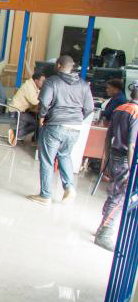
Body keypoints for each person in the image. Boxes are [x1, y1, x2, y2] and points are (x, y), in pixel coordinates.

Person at [29, 55, 94, 206]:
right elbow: (90, 108)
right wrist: (77, 119)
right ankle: (69, 188)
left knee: (47, 160)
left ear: (58, 65)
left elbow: (44, 102)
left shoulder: (52, 81)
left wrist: (42, 117)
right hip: (75, 128)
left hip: (55, 125)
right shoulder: (84, 84)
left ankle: (45, 195)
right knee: (65, 155)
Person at [94, 86, 138, 250]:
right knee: (120, 197)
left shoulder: (120, 108)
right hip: (126, 160)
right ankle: (104, 234)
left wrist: (106, 158)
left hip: (114, 155)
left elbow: (108, 136)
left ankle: (102, 227)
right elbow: (132, 145)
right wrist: (132, 169)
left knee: (114, 193)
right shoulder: (136, 113)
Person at [7, 72, 46, 146]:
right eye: (42, 81)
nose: (44, 83)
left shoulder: (33, 85)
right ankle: (15, 133)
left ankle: (33, 138)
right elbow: (35, 101)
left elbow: (38, 95)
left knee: (36, 119)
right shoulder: (29, 86)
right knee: (36, 123)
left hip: (21, 110)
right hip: (16, 112)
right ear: (36, 81)